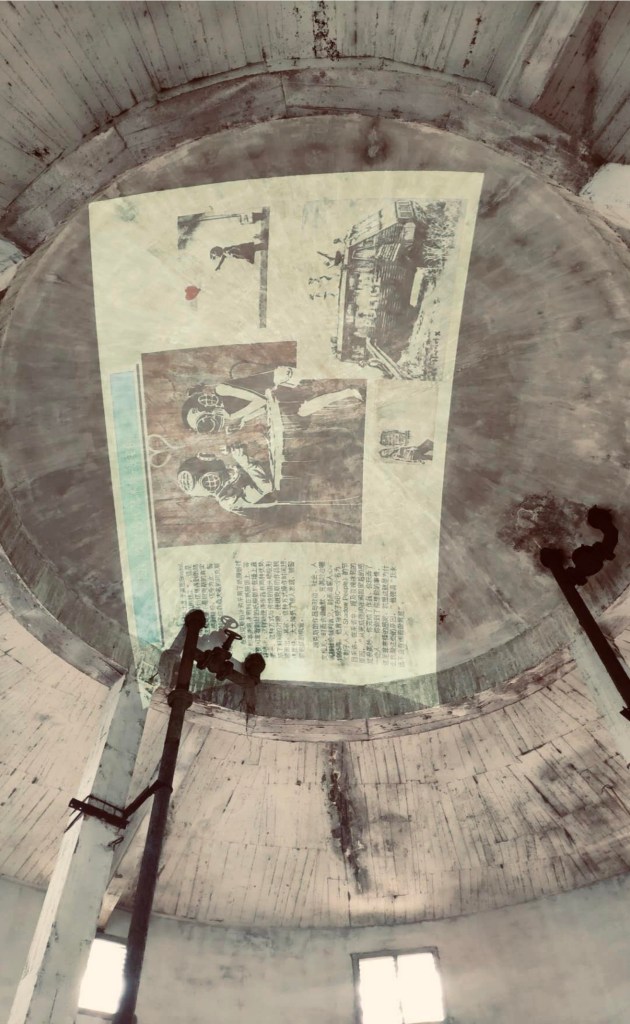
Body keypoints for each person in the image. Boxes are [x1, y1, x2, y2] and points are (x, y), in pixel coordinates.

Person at [176, 446, 273, 514]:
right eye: (207, 461)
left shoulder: (229, 474)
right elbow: (266, 487)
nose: (213, 459)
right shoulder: (229, 500)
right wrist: (245, 462)